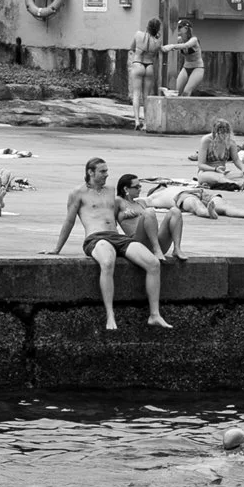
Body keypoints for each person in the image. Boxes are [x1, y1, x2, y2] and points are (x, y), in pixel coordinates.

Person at [49, 157, 169, 332]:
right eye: (103, 171)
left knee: (153, 263)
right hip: (96, 238)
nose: (107, 174)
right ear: (90, 172)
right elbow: (69, 221)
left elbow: (114, 217)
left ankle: (154, 315)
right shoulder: (78, 193)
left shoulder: (111, 190)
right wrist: (56, 248)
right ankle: (110, 315)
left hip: (117, 237)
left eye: (107, 171)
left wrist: (126, 217)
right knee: (107, 262)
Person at [127, 19, 165, 127]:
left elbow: (131, 47)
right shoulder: (158, 41)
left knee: (136, 94)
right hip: (149, 66)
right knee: (146, 96)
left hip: (138, 63)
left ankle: (137, 121)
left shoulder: (138, 34)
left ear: (147, 26)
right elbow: (156, 53)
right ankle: (146, 122)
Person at [170, 20, 206, 99]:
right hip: (186, 68)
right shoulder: (179, 39)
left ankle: (185, 110)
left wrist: (172, 46)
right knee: (176, 92)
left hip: (197, 68)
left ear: (186, 29)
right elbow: (169, 41)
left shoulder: (194, 40)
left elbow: (186, 45)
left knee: (186, 92)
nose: (177, 30)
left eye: (179, 27)